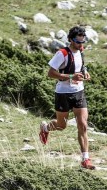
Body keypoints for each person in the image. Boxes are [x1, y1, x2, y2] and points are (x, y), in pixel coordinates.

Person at [39, 25, 95, 170]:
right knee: (61, 125)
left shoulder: (81, 51)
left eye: (83, 41)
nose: (81, 44)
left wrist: (85, 72)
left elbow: (81, 66)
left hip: (79, 92)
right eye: (78, 41)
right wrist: (71, 76)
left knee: (83, 125)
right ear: (70, 39)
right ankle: (45, 128)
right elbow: (50, 73)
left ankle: (85, 159)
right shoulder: (62, 53)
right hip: (63, 93)